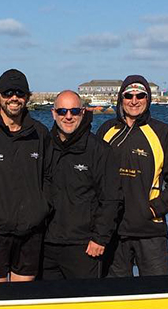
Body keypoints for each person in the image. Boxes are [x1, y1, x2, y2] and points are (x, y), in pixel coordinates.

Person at [98, 75, 168, 277]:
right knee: (115, 293)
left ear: (148, 99)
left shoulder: (163, 133)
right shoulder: (106, 130)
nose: (134, 101)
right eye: (128, 96)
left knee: (156, 292)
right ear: (121, 99)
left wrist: (151, 209)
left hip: (150, 232)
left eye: (140, 96)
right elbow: (94, 178)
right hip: (113, 232)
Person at [0, 69, 51, 283]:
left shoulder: (40, 133)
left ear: (28, 97)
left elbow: (49, 178)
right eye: (8, 93)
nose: (14, 98)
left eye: (20, 93)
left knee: (23, 296)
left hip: (31, 231)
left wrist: (41, 210)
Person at [43, 90, 122, 280]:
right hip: (46, 245)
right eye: (62, 111)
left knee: (83, 298)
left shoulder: (99, 150)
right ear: (54, 113)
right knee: (46, 299)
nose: (68, 116)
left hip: (84, 246)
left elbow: (111, 199)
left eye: (74, 111)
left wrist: (100, 238)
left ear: (83, 112)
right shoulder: (44, 147)